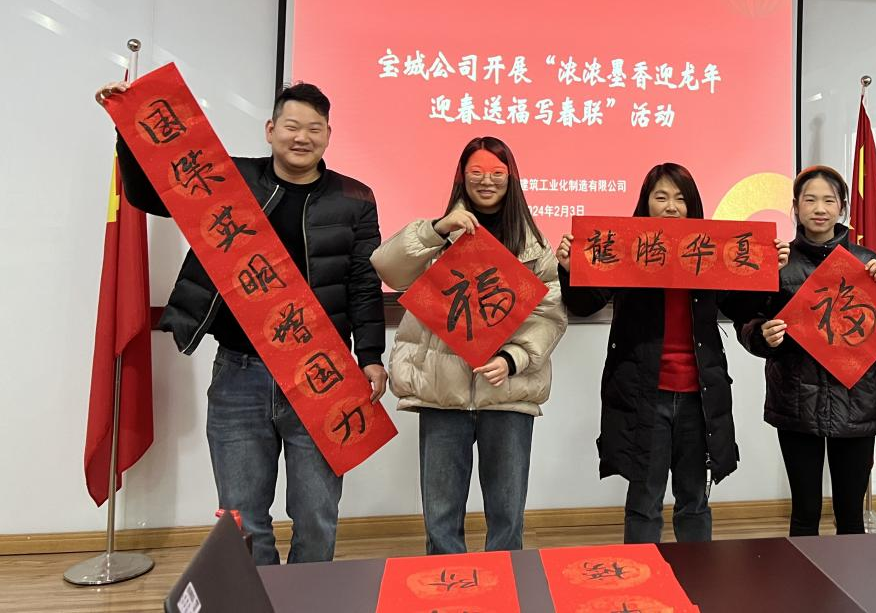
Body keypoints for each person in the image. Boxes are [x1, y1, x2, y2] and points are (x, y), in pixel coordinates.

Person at [94, 80, 385, 565]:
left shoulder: (354, 198)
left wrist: (371, 357)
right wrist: (128, 125)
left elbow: (363, 283)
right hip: (239, 373)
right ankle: (261, 596)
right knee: (243, 517)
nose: (302, 137)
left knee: (317, 514)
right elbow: (148, 194)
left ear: (328, 135)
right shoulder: (231, 179)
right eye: (291, 126)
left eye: (314, 129)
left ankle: (306, 597)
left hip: (322, 374)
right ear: (270, 130)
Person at [555, 163, 788, 544]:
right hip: (643, 394)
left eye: (680, 199)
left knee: (694, 499)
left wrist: (767, 271)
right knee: (644, 501)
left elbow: (741, 307)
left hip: (699, 395)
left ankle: (696, 576)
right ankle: (642, 576)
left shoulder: (710, 250)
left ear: (692, 205)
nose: (670, 207)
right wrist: (569, 269)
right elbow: (585, 304)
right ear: (645, 203)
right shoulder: (626, 248)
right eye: (660, 197)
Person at [372, 137, 565, 555]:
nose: (487, 181)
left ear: (511, 179)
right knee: (441, 518)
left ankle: (507, 585)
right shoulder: (440, 236)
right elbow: (387, 268)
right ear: (462, 177)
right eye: (476, 172)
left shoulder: (534, 247)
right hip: (442, 394)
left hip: (507, 394)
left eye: (497, 173)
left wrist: (513, 359)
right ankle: (446, 586)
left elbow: (549, 316)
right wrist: (437, 229)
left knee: (507, 517)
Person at [737, 165, 876, 536]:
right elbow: (748, 321)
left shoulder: (866, 261)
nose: (820, 208)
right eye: (810, 200)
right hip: (796, 399)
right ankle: (802, 574)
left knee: (851, 514)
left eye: (829, 200)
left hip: (856, 400)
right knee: (805, 511)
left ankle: (849, 574)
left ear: (843, 207)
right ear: (795, 207)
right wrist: (762, 336)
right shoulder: (777, 261)